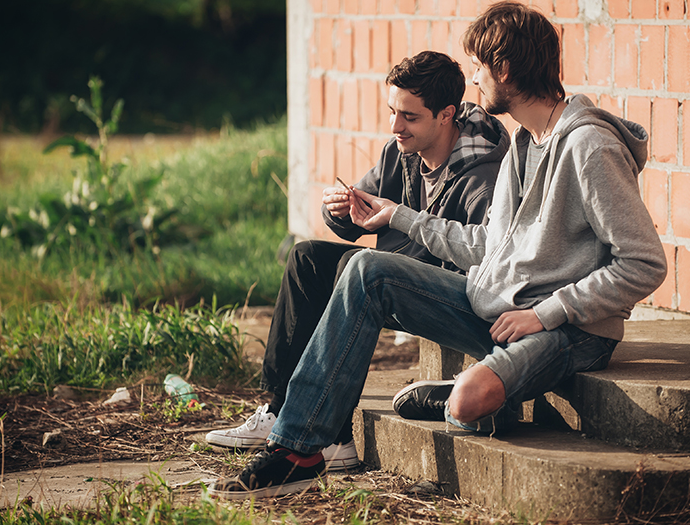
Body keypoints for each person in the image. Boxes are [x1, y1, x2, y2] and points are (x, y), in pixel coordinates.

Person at [207, 1, 667, 500]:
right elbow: (487, 245)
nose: (474, 80)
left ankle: (464, 394)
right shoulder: (524, 143)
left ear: (505, 70)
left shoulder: (589, 148)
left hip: (571, 331)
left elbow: (643, 263)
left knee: (471, 402)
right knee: (367, 269)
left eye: (478, 68)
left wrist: (547, 313)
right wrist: (399, 217)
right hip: (496, 306)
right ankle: (298, 449)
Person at [204, 51, 510, 470]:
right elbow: (360, 219)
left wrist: (399, 220)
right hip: (385, 278)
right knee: (307, 257)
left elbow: (485, 257)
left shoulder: (484, 176)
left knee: (359, 268)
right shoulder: (399, 152)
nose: (395, 126)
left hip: (444, 297)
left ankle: (320, 436)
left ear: (446, 115)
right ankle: (283, 411)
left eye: (409, 116)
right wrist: (341, 211)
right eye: (392, 111)